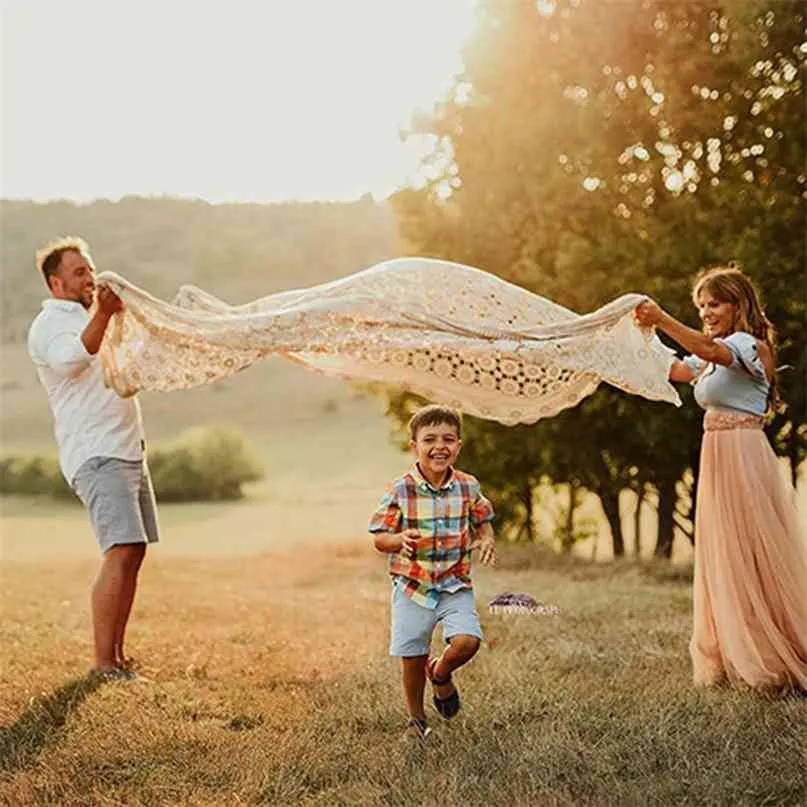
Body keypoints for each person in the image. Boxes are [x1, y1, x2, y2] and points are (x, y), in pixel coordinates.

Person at [634, 264, 807, 692]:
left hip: (744, 456)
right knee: (724, 551)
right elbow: (678, 370)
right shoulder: (713, 352)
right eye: (701, 306)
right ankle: (735, 648)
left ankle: (770, 651)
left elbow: (710, 353)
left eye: (714, 304)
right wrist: (630, 341)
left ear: (737, 304)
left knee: (750, 548)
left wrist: (663, 319)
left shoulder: (747, 345)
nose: (706, 312)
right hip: (717, 455)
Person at [27, 237, 159, 681]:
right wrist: (103, 313)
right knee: (119, 549)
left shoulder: (91, 319)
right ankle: (103, 663)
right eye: (80, 272)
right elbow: (68, 362)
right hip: (97, 451)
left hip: (126, 448)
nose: (91, 277)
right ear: (56, 282)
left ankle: (117, 657)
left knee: (133, 550)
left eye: (91, 268)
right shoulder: (50, 324)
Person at [368, 404, 497, 739]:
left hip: (456, 584)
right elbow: (379, 537)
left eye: (448, 439)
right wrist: (398, 539)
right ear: (415, 446)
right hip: (414, 585)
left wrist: (485, 538)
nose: (440, 446)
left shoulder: (468, 486)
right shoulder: (400, 489)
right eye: (430, 439)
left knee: (468, 641)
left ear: (459, 445)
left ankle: (440, 674)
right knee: (412, 656)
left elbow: (483, 518)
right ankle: (416, 720)